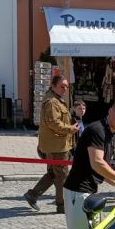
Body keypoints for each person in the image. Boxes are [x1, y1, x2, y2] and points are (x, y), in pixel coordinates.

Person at [63, 98, 115, 229]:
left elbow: (99, 169)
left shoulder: (111, 134)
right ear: (110, 111)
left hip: (89, 191)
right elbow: (97, 163)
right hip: (78, 191)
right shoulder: (97, 130)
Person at [25, 74, 77, 214]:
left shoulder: (56, 100)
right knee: (62, 176)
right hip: (57, 146)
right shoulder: (52, 102)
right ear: (53, 86)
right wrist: (71, 129)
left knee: (53, 174)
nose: (65, 89)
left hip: (57, 144)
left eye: (66, 86)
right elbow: (54, 123)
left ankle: (33, 195)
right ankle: (62, 205)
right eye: (62, 86)